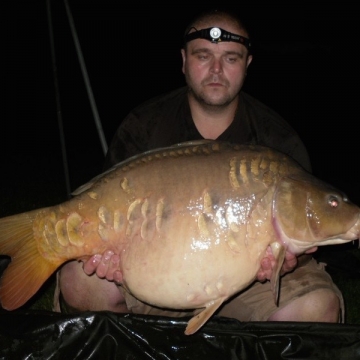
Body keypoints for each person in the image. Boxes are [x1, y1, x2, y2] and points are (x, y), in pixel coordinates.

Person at [57, 8, 343, 323]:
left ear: (247, 65)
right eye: (203, 56)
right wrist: (109, 257)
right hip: (150, 273)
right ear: (183, 60)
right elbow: (104, 207)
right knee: (77, 281)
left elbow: (298, 242)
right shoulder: (144, 126)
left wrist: (288, 262)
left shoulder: (277, 139)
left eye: (231, 58)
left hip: (247, 284)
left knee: (317, 306)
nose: (217, 70)